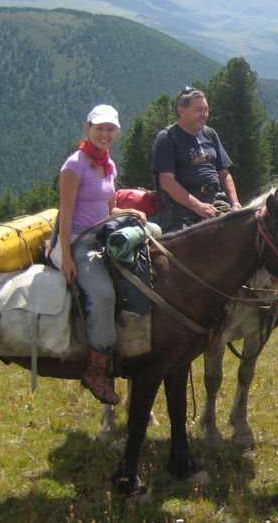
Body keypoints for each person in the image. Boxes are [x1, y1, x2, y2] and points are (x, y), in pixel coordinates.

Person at [58, 104, 148, 406]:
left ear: (117, 133)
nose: (105, 134)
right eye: (99, 129)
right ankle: (96, 370)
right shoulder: (75, 165)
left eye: (110, 130)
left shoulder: (108, 164)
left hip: (104, 235)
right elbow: (66, 213)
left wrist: (132, 211)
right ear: (88, 129)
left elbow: (109, 210)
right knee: (104, 295)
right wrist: (67, 257)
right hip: (81, 241)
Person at [151, 86, 243, 232]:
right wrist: (198, 206)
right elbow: (167, 182)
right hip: (181, 208)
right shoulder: (167, 138)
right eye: (199, 110)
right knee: (186, 247)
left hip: (216, 201)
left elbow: (224, 174)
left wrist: (235, 205)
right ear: (181, 111)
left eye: (206, 109)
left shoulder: (210, 134)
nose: (204, 114)